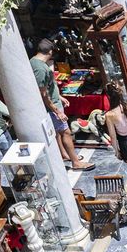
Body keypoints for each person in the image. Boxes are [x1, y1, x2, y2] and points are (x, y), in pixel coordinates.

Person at [31, 39, 93, 169]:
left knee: (58, 132)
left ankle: (64, 154)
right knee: (66, 132)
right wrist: (57, 110)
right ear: (50, 52)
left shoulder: (34, 62)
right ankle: (76, 162)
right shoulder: (41, 69)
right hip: (52, 106)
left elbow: (47, 88)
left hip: (54, 102)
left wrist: (59, 96)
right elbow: (43, 93)